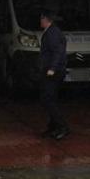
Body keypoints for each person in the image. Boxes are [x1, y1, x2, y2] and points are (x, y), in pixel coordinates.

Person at [38, 11, 68, 140]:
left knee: (47, 98)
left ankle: (61, 126)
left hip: (53, 71)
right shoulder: (52, 32)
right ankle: (53, 126)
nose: (40, 21)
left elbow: (57, 52)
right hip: (54, 69)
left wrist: (52, 68)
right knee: (50, 98)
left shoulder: (52, 33)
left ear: (46, 19)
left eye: (41, 18)